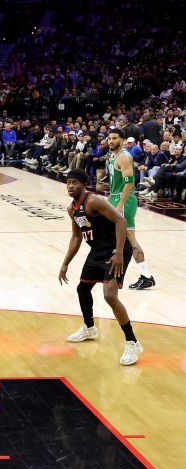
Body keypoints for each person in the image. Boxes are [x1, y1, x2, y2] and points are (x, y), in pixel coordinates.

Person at [59, 169, 143, 365]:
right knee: (83, 288)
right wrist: (65, 263)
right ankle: (89, 328)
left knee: (109, 295)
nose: (71, 186)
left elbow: (121, 221)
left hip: (116, 250)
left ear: (83, 184)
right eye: (68, 182)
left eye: (75, 182)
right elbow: (77, 237)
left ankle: (132, 342)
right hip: (97, 251)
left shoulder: (93, 201)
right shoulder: (72, 209)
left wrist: (120, 253)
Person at [105, 129, 155, 290]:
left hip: (124, 201)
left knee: (130, 239)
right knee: (115, 237)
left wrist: (120, 204)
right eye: (109, 138)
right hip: (115, 197)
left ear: (122, 140)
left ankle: (146, 275)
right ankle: (112, 270)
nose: (111, 141)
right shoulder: (112, 156)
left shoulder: (124, 157)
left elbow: (129, 183)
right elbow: (115, 182)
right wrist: (110, 199)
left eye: (114, 138)